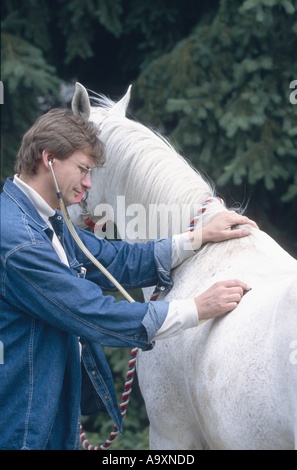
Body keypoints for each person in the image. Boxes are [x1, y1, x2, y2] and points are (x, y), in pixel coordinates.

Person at [0, 108, 257, 450]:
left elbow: (115, 259)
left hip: (46, 408)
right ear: (49, 160)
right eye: (83, 170)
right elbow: (91, 312)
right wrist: (196, 308)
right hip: (24, 423)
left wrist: (197, 237)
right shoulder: (20, 242)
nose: (89, 184)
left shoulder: (45, 222)